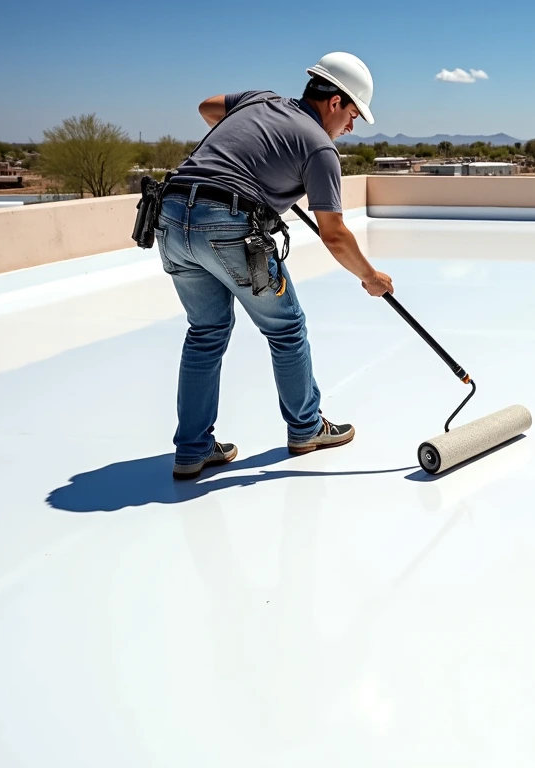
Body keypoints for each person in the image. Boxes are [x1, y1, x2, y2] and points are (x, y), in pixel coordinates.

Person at [154, 51, 393, 479]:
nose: (352, 127)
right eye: (353, 114)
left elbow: (207, 107)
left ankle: (192, 449)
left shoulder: (259, 100)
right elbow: (334, 234)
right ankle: (306, 428)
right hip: (227, 223)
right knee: (286, 328)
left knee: (205, 333)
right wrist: (370, 277)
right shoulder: (319, 147)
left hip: (170, 218)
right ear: (335, 102)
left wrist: (254, 155)